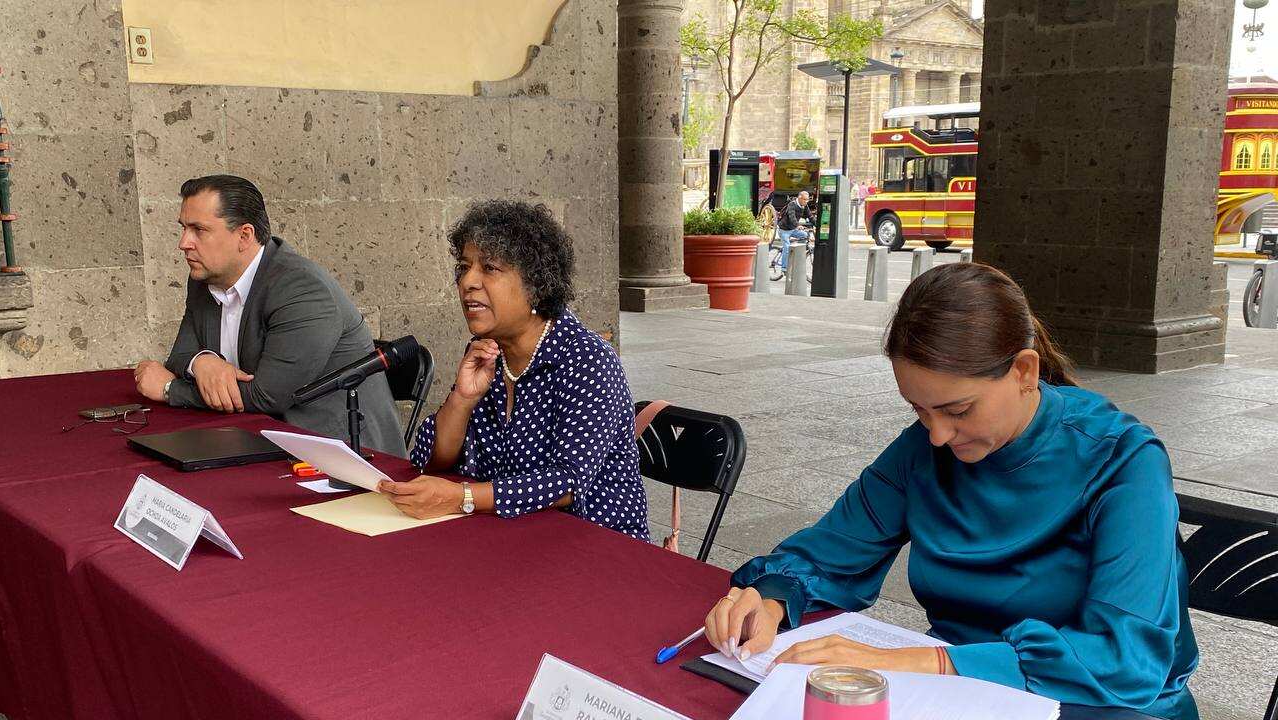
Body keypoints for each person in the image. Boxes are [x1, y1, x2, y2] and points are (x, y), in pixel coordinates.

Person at [703, 263, 1199, 720]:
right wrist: (768, 599)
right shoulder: (924, 449)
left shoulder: (1124, 461)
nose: (938, 435)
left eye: (958, 411)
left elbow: (1125, 657)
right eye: (918, 410)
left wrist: (923, 662)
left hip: (1101, 705)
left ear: (1024, 371)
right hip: (954, 692)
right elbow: (834, 550)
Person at [377, 200, 649, 540]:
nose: (468, 282)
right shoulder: (488, 354)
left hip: (592, 545)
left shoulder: (587, 360)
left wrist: (462, 498)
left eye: (489, 268)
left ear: (536, 284)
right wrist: (462, 399)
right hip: (506, 535)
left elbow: (565, 483)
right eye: (464, 267)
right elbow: (429, 461)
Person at [133, 175, 405, 456]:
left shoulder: (301, 289)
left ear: (244, 236)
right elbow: (179, 356)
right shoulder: (206, 277)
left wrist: (169, 389)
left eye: (199, 230)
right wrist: (203, 363)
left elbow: (267, 397)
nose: (184, 243)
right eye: (184, 228)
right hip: (257, 439)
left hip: (341, 455)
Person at [776, 191, 811, 271]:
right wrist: (798, 225)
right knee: (787, 248)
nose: (806, 201)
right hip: (784, 230)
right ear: (799, 198)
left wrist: (818, 225)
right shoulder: (792, 204)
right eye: (804, 199)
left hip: (793, 229)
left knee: (805, 235)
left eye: (807, 200)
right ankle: (784, 268)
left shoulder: (804, 206)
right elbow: (792, 217)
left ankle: (796, 251)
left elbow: (810, 216)